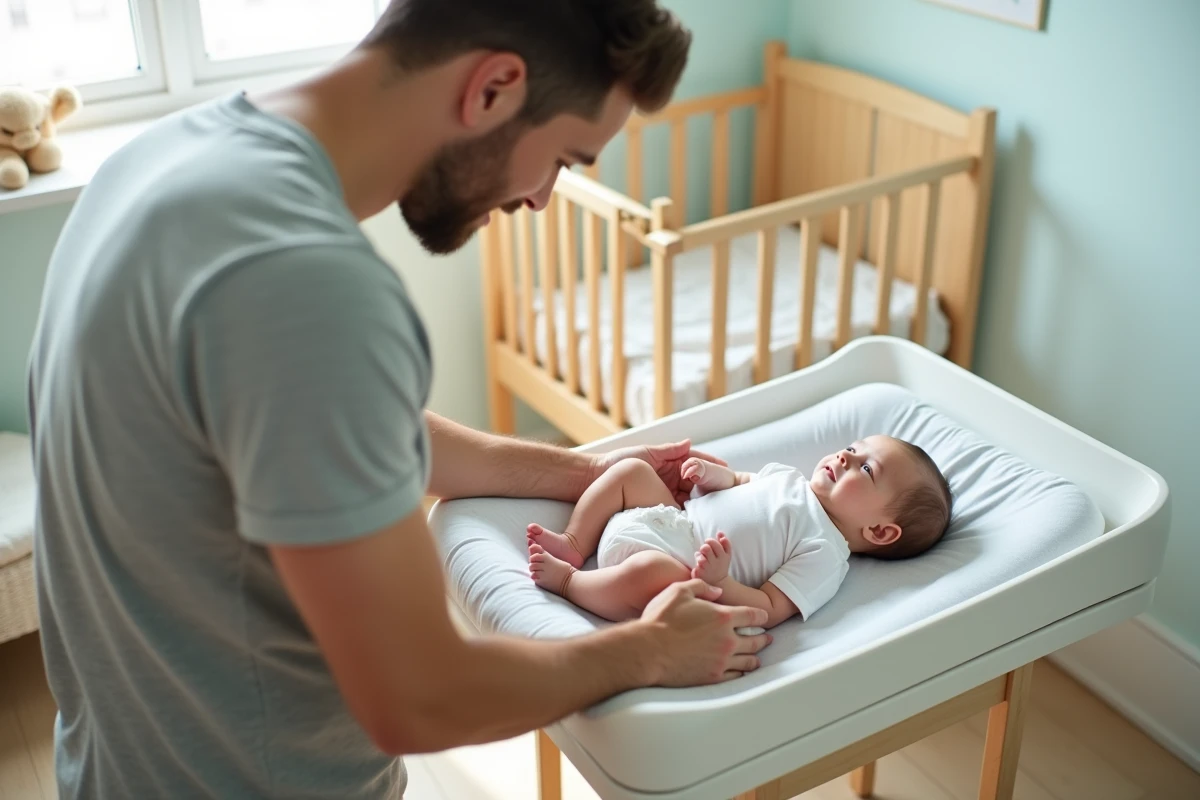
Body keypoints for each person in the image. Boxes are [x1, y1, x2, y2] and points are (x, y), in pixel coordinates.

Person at [25, 1, 773, 797]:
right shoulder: (309, 285)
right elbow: (420, 697)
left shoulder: (162, 162)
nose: (543, 200)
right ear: (493, 89)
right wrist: (648, 652)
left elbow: (344, 428)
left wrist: (584, 470)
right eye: (564, 160)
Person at [529, 435, 953, 626]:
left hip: (676, 564)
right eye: (854, 447)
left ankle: (572, 582)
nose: (846, 455)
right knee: (630, 470)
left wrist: (718, 582)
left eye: (865, 467)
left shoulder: (826, 553)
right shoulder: (789, 478)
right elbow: (742, 483)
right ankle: (574, 541)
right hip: (670, 515)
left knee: (659, 577)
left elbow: (768, 609)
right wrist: (714, 475)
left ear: (880, 531)